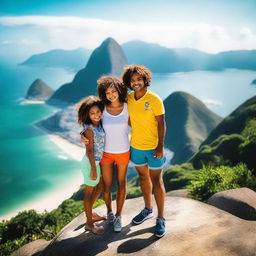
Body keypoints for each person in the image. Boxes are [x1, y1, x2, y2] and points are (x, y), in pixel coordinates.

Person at [122, 65, 167, 238]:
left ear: (145, 79)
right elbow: (127, 118)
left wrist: (160, 145)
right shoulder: (129, 99)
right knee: (143, 178)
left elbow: (162, 123)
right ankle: (148, 209)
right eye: (132, 80)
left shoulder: (154, 99)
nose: (135, 83)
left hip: (154, 148)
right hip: (136, 147)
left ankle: (161, 218)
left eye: (139, 79)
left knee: (157, 181)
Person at [81, 76, 129, 232]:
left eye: (114, 91)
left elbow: (139, 123)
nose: (111, 94)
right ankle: (109, 212)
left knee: (121, 184)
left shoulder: (128, 107)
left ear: (119, 90)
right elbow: (90, 120)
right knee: (106, 186)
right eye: (107, 92)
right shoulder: (102, 108)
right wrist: (82, 134)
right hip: (106, 154)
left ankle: (119, 216)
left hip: (123, 151)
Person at [77, 95, 105, 235]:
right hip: (90, 163)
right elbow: (89, 151)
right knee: (88, 193)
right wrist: (94, 169)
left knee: (100, 186)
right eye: (92, 113)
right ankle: (89, 223)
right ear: (88, 114)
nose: (96, 115)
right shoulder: (89, 129)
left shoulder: (99, 124)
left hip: (96, 162)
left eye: (98, 112)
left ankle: (90, 212)